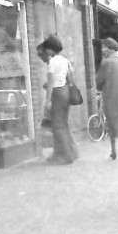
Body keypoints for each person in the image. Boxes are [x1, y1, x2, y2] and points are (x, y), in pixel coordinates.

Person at [40, 35, 78, 164]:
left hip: (57, 93)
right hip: (66, 92)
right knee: (64, 124)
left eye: (46, 48)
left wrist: (47, 100)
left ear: (50, 49)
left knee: (57, 126)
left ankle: (65, 156)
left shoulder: (52, 61)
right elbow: (70, 79)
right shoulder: (65, 60)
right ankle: (72, 152)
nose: (45, 51)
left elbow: (51, 82)